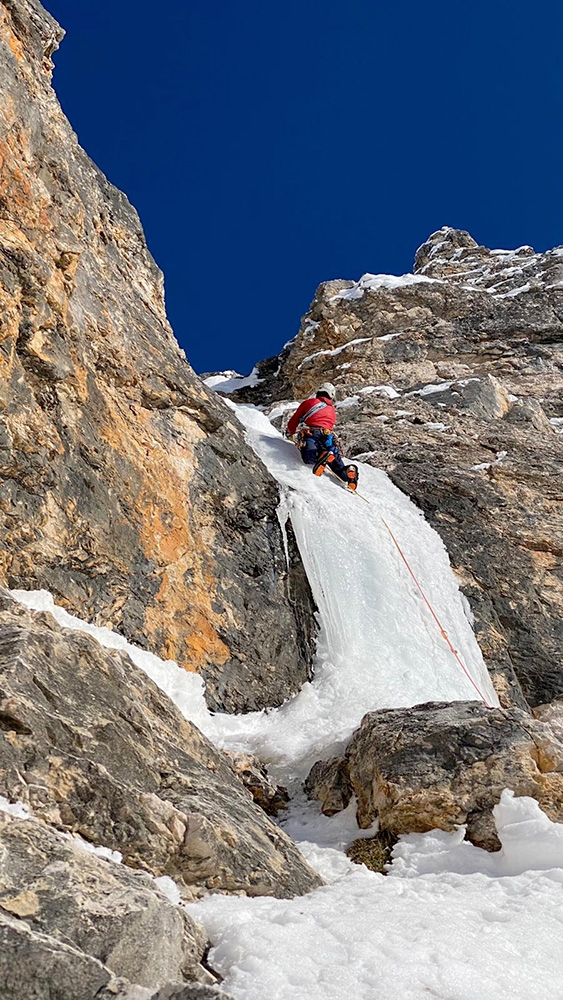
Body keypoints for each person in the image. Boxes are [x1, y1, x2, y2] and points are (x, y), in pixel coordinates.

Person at [285, 382, 359, 491]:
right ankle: (349, 472)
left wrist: (290, 432)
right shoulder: (332, 410)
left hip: (312, 433)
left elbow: (295, 419)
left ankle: (323, 456)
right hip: (329, 437)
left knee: (309, 458)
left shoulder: (309, 403)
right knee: (337, 468)